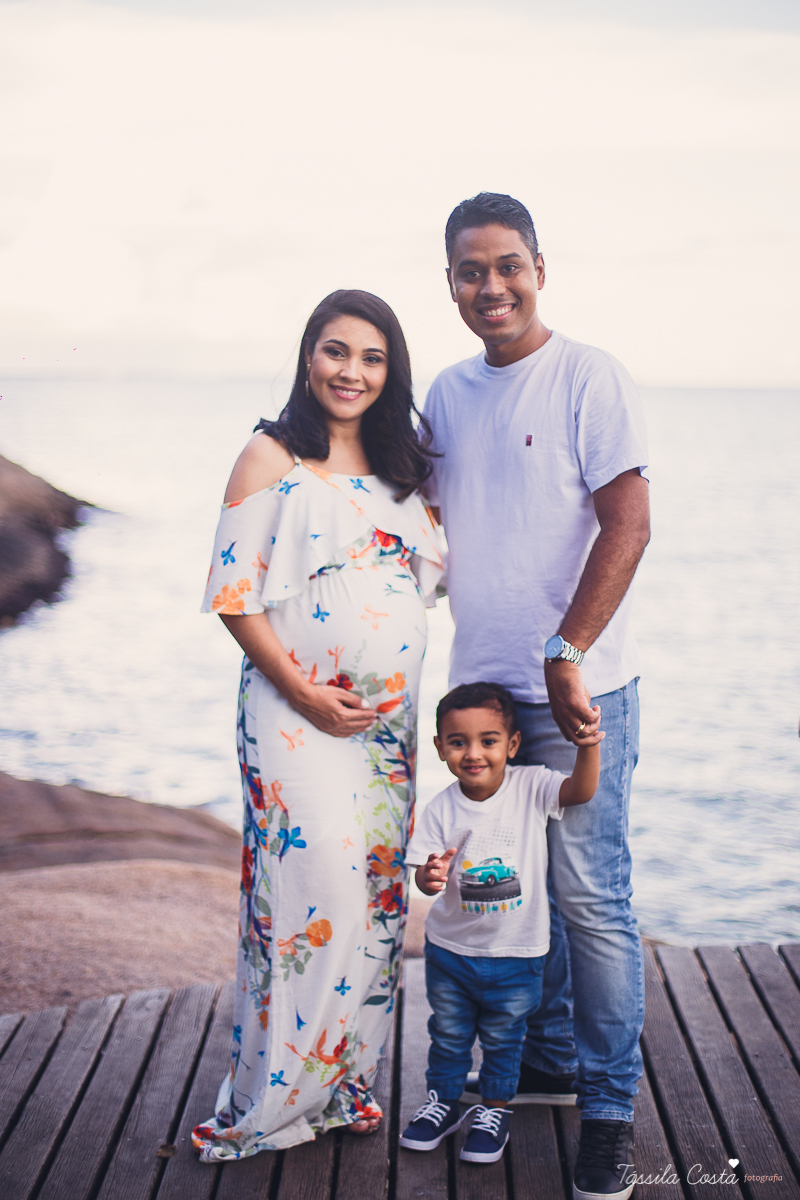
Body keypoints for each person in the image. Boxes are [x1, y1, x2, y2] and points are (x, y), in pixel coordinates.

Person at [423, 194, 650, 1200]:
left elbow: (629, 525)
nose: (490, 287)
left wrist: (569, 648)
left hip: (575, 692)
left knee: (590, 901)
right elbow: (427, 524)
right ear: (450, 284)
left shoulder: (588, 377)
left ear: (539, 268)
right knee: (511, 895)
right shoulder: (445, 393)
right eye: (470, 272)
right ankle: (550, 1059)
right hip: (482, 697)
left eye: (506, 266)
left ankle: (605, 1112)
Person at [192, 290, 444, 1159]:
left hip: (384, 732)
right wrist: (302, 690)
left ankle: (334, 1087)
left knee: (375, 907)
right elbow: (233, 595)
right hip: (293, 716)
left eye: (372, 359)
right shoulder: (270, 455)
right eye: (337, 352)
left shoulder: (404, 467)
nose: (352, 372)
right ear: (309, 357)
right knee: (308, 900)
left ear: (390, 372)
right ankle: (267, 1103)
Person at [399, 682, 600, 1165]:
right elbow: (425, 881)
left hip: (519, 954)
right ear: (440, 747)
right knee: (447, 1035)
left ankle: (494, 1111)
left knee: (505, 1040)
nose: (474, 753)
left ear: (511, 745)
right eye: (458, 741)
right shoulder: (441, 808)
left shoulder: (531, 786)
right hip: (450, 952)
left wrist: (588, 746)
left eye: (488, 741)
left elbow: (581, 790)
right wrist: (429, 877)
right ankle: (442, 1103)